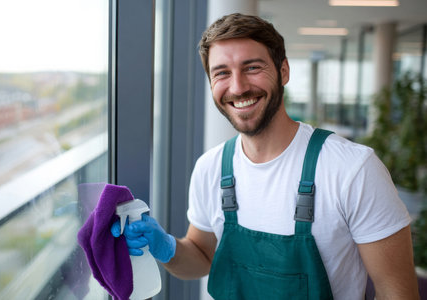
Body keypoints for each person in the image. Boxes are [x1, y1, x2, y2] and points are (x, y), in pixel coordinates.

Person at [111, 13, 420, 299]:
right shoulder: (211, 168)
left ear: (283, 71)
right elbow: (202, 259)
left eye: (252, 67)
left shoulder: (352, 169)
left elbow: (398, 293)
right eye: (222, 73)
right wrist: (166, 246)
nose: (238, 87)